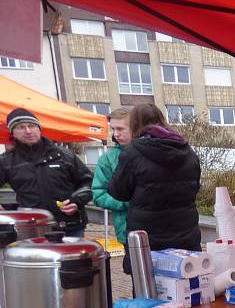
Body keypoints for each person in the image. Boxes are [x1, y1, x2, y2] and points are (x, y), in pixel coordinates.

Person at [108, 104, 201, 271]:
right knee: (185, 286)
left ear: (135, 124)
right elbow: (195, 189)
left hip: (147, 238)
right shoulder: (188, 151)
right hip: (185, 233)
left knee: (147, 290)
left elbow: (119, 192)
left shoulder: (132, 153)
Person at [0, 108, 93, 236]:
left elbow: (88, 182)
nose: (28, 131)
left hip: (70, 226)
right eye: (21, 127)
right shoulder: (7, 161)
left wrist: (76, 201)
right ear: (13, 133)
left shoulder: (64, 155)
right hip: (32, 228)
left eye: (32, 126)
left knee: (74, 256)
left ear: (39, 129)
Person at [92, 108, 132, 272]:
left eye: (120, 129)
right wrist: (126, 203)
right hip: (127, 229)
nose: (116, 134)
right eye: (113, 129)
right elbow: (98, 194)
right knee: (137, 278)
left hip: (157, 227)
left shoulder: (151, 151)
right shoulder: (108, 159)